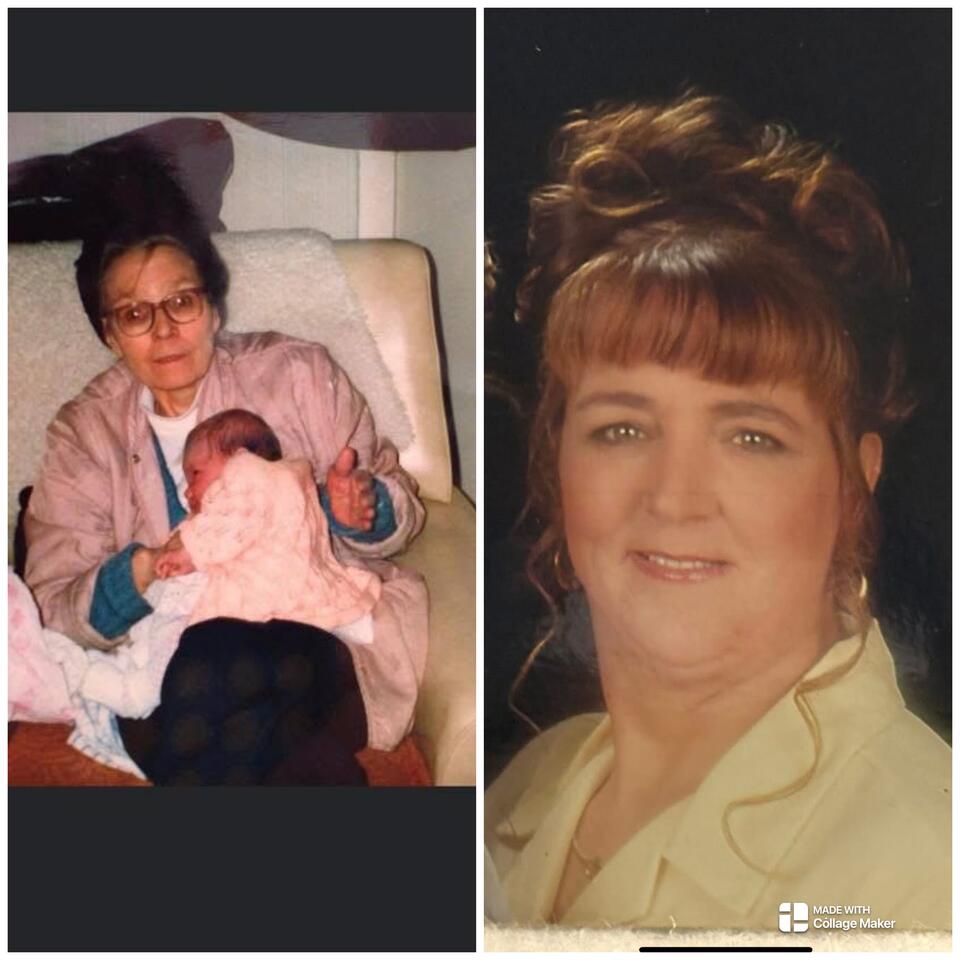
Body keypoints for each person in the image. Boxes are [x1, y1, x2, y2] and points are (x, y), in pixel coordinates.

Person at [484, 93, 950, 929]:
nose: (674, 497)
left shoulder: (926, 871)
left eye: (752, 437)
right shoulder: (527, 788)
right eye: (621, 428)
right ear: (557, 463)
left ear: (854, 484)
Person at [24, 190, 428, 786]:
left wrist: (360, 509)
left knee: (207, 670)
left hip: (312, 638)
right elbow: (51, 606)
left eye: (181, 302)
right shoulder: (84, 434)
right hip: (168, 661)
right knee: (214, 681)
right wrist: (144, 569)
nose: (164, 331)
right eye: (135, 314)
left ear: (213, 307)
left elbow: (402, 503)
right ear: (109, 334)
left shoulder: (297, 374)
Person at [154, 407, 382, 634]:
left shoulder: (245, 474)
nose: (188, 491)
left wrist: (188, 550)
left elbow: (227, 525)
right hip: (306, 600)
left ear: (237, 455)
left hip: (270, 606)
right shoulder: (287, 483)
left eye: (195, 474)